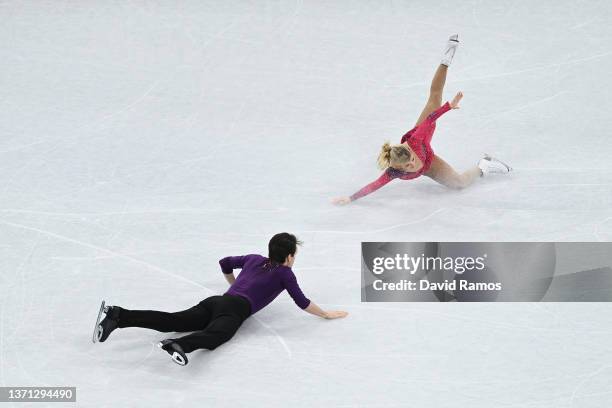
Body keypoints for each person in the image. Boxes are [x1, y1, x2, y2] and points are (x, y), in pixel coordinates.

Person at [92, 233, 348, 365]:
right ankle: (180, 346)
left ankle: (118, 315)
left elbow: (225, 262)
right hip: (235, 310)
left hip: (217, 302)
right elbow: (301, 302)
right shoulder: (285, 274)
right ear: (290, 257)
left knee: (173, 320)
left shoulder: (255, 258)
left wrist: (233, 284)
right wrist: (326, 314)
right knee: (219, 335)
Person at [332, 35, 511, 205]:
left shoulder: (416, 141)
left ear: (410, 152)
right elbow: (375, 185)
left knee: (459, 183)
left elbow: (430, 119)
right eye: (406, 167)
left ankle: (484, 166)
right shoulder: (394, 171)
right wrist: (351, 198)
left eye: (410, 162)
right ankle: (485, 165)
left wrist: (449, 106)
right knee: (458, 185)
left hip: (426, 146)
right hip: (426, 164)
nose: (411, 166)